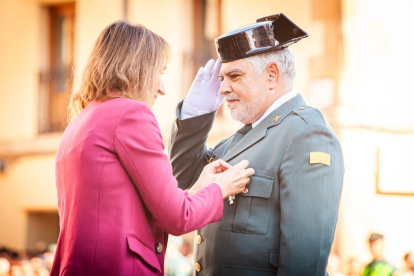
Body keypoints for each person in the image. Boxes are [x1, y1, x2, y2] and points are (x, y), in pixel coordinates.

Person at [50, 20, 254, 276]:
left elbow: (139, 209)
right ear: (136, 68)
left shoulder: (81, 120)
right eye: (159, 72)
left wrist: (200, 186)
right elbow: (177, 218)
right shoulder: (130, 114)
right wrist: (220, 188)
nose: (162, 88)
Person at [169, 13, 344, 275]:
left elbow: (303, 262)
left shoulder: (306, 134)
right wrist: (194, 115)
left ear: (272, 75)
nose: (222, 89)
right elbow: (185, 182)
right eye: (222, 78)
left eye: (235, 76)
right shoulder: (240, 138)